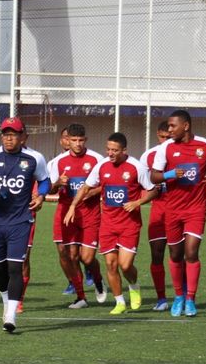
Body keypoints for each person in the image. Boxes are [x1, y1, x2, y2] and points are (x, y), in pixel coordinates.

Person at [65, 132, 158, 314]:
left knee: (125, 265)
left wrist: (137, 202)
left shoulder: (136, 167)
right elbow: (86, 187)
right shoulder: (101, 166)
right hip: (108, 224)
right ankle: (119, 302)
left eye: (115, 150)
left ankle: (134, 285)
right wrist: (73, 206)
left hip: (129, 224)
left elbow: (153, 190)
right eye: (108, 149)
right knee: (110, 264)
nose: (110, 153)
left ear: (124, 150)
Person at [0, 117, 50, 333]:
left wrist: (41, 196)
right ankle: (6, 302)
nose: (9, 138)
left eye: (13, 135)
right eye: (5, 134)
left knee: (15, 267)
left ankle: (11, 315)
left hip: (21, 220)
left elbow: (45, 180)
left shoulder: (34, 158)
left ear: (23, 137)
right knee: (0, 269)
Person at [151, 109, 206, 317]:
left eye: (173, 126)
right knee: (175, 254)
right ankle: (178, 296)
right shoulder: (166, 148)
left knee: (191, 252)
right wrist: (171, 174)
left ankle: (190, 299)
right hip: (172, 209)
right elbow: (154, 176)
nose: (169, 130)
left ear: (186, 126)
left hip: (196, 208)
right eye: (168, 126)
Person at [47, 123, 107, 308]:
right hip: (68, 213)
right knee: (71, 255)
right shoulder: (58, 162)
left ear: (85, 140)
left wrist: (92, 192)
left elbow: (106, 184)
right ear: (68, 141)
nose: (78, 144)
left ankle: (98, 279)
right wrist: (58, 183)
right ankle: (81, 297)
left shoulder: (97, 159)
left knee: (87, 258)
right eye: (74, 140)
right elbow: (50, 189)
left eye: (81, 140)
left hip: (90, 213)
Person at [139, 121, 173, 311]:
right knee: (157, 254)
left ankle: (183, 296)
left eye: (169, 137)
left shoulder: (181, 152)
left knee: (179, 255)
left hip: (179, 209)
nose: (165, 141)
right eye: (162, 137)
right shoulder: (148, 156)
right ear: (157, 135)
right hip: (158, 211)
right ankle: (161, 299)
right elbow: (142, 182)